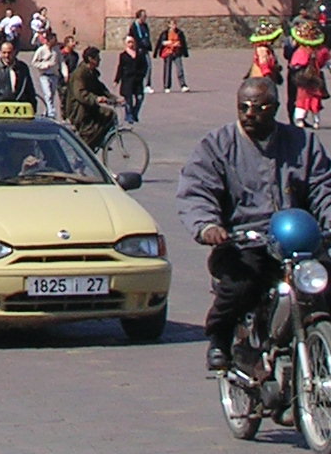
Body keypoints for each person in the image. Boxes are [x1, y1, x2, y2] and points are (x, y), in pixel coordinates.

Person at [178, 76, 331, 371]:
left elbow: (323, 187)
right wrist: (208, 225)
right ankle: (221, 338)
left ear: (273, 108)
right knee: (240, 285)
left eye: (258, 107)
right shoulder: (217, 146)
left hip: (299, 244)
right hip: (244, 242)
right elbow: (197, 190)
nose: (249, 113)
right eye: (243, 107)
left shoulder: (304, 144)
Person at [65, 46, 116, 150]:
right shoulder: (80, 74)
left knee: (110, 115)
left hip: (88, 106)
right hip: (79, 109)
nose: (99, 60)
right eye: (97, 58)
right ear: (90, 59)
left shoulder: (91, 72)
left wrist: (113, 98)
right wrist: (96, 99)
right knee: (92, 129)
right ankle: (84, 150)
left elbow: (100, 88)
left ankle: (96, 141)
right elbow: (80, 93)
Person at [0, 37, 37, 112]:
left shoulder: (22, 68)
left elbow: (29, 89)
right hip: (0, 109)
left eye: (9, 52)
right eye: (4, 53)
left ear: (14, 52)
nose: (7, 55)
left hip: (20, 109)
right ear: (0, 53)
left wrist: (33, 106)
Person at [114, 32, 151, 125]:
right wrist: (117, 79)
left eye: (132, 42)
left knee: (140, 97)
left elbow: (145, 66)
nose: (131, 44)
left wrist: (142, 75)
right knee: (128, 98)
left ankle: (135, 112)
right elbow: (120, 67)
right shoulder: (123, 55)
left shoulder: (140, 54)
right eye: (129, 42)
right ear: (126, 44)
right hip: (127, 80)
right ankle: (129, 114)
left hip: (138, 80)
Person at [30, 31, 64, 121]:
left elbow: (61, 61)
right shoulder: (41, 50)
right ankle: (51, 112)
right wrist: (44, 65)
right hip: (44, 75)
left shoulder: (56, 50)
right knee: (47, 93)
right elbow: (34, 62)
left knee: (51, 95)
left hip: (54, 75)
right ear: (48, 40)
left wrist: (64, 73)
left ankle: (47, 110)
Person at [159, 20, 190, 92]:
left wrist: (181, 48)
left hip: (177, 52)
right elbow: (162, 42)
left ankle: (183, 85)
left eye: (175, 24)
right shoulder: (165, 33)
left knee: (180, 69)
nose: (174, 26)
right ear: (169, 25)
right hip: (168, 52)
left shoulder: (179, 32)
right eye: (172, 24)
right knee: (167, 69)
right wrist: (167, 43)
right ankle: (167, 86)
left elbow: (182, 42)